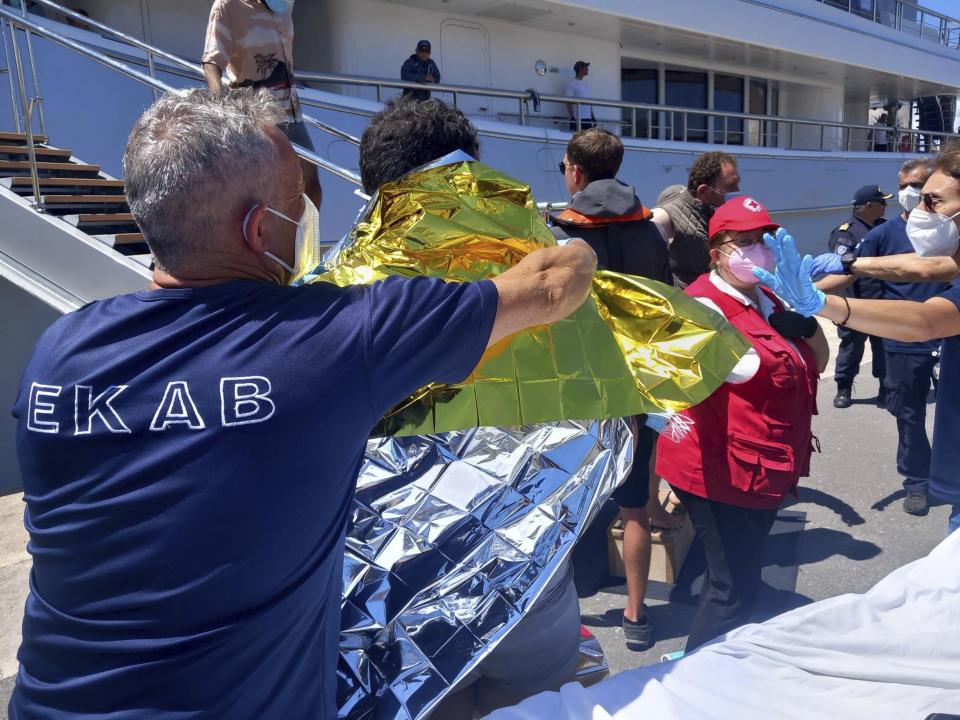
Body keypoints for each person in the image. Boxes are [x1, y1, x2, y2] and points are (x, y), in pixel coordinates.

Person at [7, 89, 598, 719]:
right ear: (258, 229)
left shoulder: (59, 352)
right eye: (302, 199)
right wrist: (576, 238)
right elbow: (554, 284)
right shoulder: (333, 341)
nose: (313, 210)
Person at [359, 97, 584, 717]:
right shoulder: (542, 266)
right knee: (530, 699)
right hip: (528, 543)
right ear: (471, 169)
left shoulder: (335, 291)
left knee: (432, 699)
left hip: (394, 571)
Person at [756, 146, 960, 536]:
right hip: (903, 346)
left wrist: (822, 304)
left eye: (933, 201)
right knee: (909, 414)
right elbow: (920, 265)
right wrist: (846, 264)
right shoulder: (901, 237)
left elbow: (925, 321)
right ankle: (918, 480)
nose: (922, 211)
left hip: (913, 335)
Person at [656, 196, 829, 651]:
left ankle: (719, 664)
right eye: (744, 242)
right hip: (723, 472)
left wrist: (808, 326)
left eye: (763, 240)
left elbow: (819, 362)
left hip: (765, 466)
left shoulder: (770, 295)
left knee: (740, 575)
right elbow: (680, 385)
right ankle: (696, 677)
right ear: (717, 253)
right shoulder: (699, 307)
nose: (757, 250)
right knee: (730, 591)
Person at [550, 127, 676, 652]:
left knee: (560, 501)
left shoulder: (560, 233)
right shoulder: (649, 232)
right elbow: (665, 305)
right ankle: (636, 613)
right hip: (631, 384)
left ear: (575, 172)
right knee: (634, 507)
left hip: (573, 388)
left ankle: (564, 608)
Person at [815, 161, 946, 516]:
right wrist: (803, 294)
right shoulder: (883, 234)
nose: (912, 193)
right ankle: (916, 481)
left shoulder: (951, 232)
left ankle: (948, 474)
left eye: (919, 185)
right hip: (904, 338)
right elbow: (845, 271)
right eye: (907, 186)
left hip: (949, 333)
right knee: (909, 414)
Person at [202, 0, 322, 210]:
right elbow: (212, 62)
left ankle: (304, 242)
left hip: (292, 113)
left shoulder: (285, 5)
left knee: (312, 187)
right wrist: (219, 107)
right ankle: (273, 242)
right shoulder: (227, 6)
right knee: (268, 196)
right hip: (258, 118)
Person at [819, 185, 890, 409]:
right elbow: (841, 267)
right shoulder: (846, 232)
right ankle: (844, 387)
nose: (886, 206)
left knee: (884, 347)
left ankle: (885, 388)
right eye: (883, 202)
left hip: (884, 302)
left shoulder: (885, 228)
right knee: (851, 347)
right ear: (869, 206)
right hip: (855, 302)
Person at [651, 152, 741, 287]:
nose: (737, 190)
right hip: (684, 303)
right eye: (730, 186)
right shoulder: (666, 217)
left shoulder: (712, 211)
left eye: (737, 183)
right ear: (704, 191)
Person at [566, 60, 594, 132]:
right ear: (580, 69)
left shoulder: (586, 84)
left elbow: (589, 102)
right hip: (577, 119)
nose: (587, 69)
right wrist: (572, 117)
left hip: (588, 119)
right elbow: (569, 102)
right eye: (586, 67)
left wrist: (592, 116)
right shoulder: (572, 84)